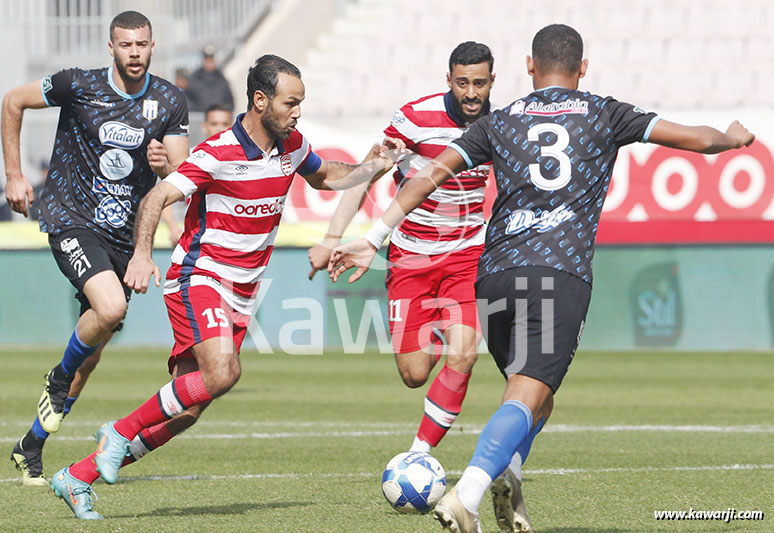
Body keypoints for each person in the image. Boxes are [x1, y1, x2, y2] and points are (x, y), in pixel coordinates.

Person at [328, 24, 754, 533]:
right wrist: (732, 138)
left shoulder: (500, 120)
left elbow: (429, 175)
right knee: (526, 395)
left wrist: (373, 237)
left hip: (494, 276)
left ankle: (509, 471)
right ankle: (468, 494)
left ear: (529, 67)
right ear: (583, 68)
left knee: (538, 396)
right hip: (557, 273)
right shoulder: (604, 112)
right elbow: (697, 139)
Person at [50, 53, 405, 520]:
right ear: (260, 101)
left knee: (187, 410)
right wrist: (141, 254)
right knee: (223, 373)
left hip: (241, 294)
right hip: (200, 277)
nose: (297, 112)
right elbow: (157, 196)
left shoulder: (292, 145)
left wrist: (373, 166)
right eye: (290, 103)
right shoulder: (217, 153)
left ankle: (77, 477)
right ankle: (118, 432)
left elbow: (326, 178)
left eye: (300, 103)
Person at [3, 10, 190, 486]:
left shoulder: (169, 100)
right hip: (71, 217)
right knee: (110, 308)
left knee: (90, 355)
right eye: (126, 44)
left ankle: (30, 446)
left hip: (124, 236)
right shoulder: (78, 84)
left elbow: (182, 175)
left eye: (142, 44)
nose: (134, 53)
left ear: (153, 46)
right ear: (112, 47)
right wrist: (15, 175)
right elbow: (13, 101)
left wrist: (163, 166)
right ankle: (57, 377)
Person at [309, 42, 500, 458]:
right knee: (414, 375)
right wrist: (331, 239)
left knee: (464, 353)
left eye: (479, 83)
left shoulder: (499, 125)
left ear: (492, 82)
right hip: (410, 258)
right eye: (462, 83)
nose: (471, 93)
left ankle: (418, 454)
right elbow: (364, 176)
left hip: (466, 256)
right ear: (448, 80)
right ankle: (439, 325)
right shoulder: (415, 119)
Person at [185, 44, 234, 112]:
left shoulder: (222, 80)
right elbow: (188, 101)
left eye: (212, 59)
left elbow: (230, 102)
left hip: (218, 116)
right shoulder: (193, 79)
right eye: (207, 59)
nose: (210, 62)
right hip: (199, 116)